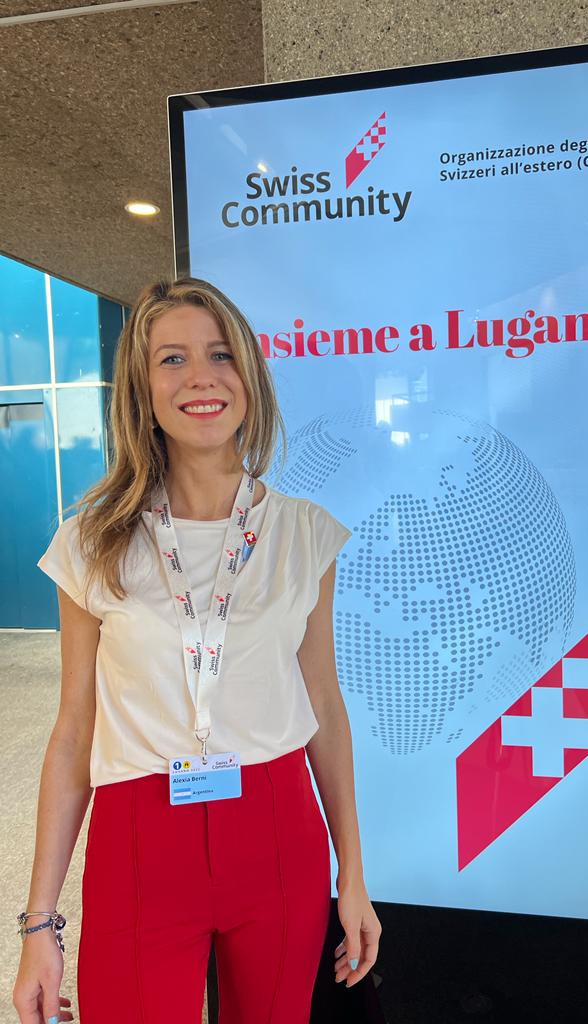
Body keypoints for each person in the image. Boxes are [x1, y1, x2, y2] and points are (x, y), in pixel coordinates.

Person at [12, 278, 381, 1024]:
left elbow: (324, 705)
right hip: (140, 836)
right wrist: (38, 923)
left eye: (220, 354)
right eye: (171, 359)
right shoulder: (92, 542)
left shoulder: (305, 535)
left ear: (248, 374)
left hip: (278, 831)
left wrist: (354, 876)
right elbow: (74, 729)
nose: (200, 377)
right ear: (142, 391)